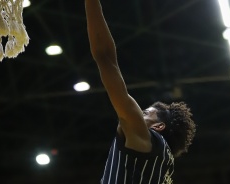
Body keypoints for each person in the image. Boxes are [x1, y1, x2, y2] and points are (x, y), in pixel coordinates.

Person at [84, 0, 196, 183]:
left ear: (159, 126)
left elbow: (105, 57)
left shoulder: (148, 141)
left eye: (145, 113)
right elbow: (104, 57)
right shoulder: (163, 164)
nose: (136, 113)